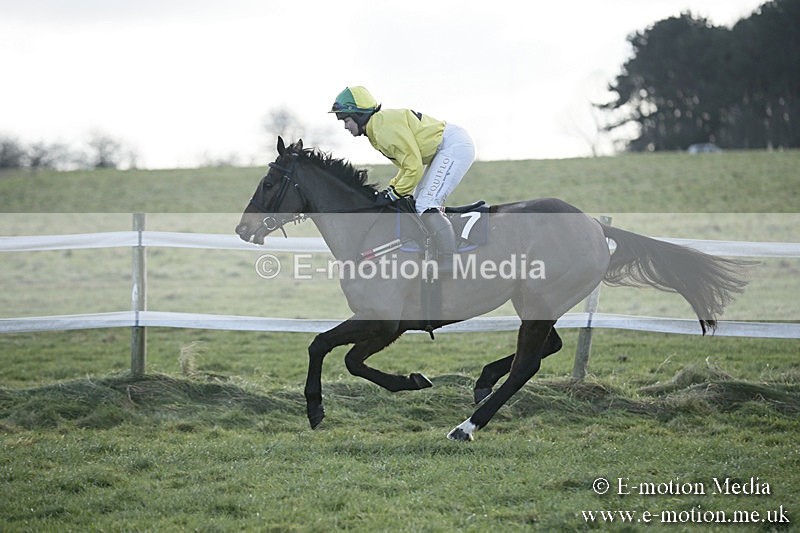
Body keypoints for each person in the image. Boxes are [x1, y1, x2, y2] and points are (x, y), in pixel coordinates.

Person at [330, 86, 476, 272]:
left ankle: (450, 261)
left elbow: (414, 168)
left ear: (359, 115)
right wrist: (392, 189)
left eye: (346, 120)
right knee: (418, 202)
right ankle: (436, 252)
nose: (345, 127)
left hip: (453, 146)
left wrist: (394, 194)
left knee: (425, 203)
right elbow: (406, 165)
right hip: (446, 146)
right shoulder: (377, 128)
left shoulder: (382, 129)